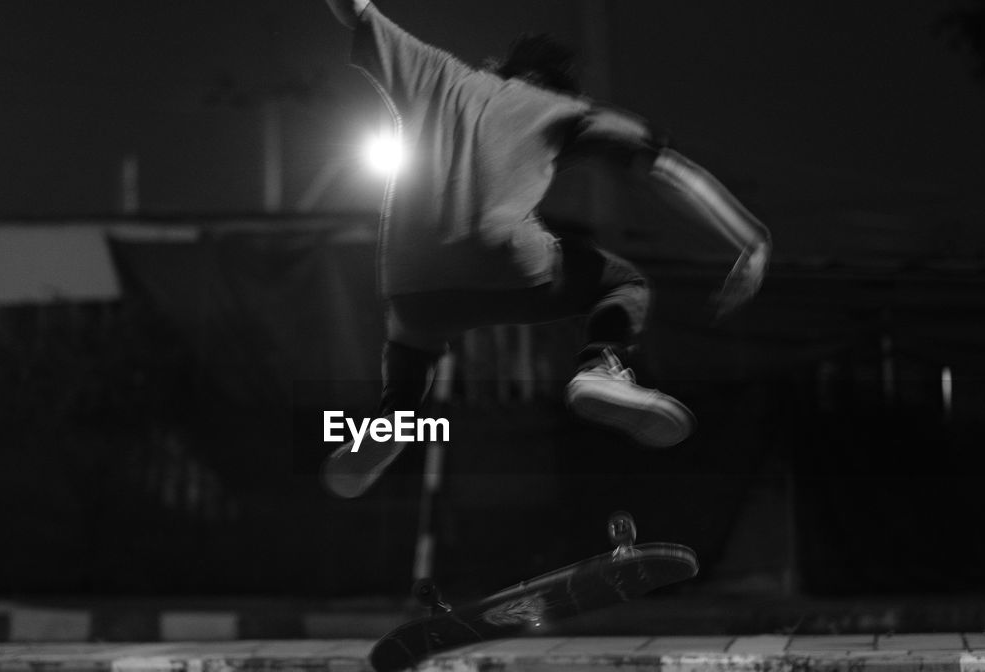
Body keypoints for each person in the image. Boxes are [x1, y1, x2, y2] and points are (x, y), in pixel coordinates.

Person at [320, 0, 770, 498]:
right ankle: (600, 368)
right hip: (506, 261)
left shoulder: (437, 71)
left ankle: (391, 423)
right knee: (622, 281)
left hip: (409, 282)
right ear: (556, 85)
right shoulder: (564, 108)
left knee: (410, 345)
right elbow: (667, 170)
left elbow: (358, 10)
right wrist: (750, 242)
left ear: (502, 67)